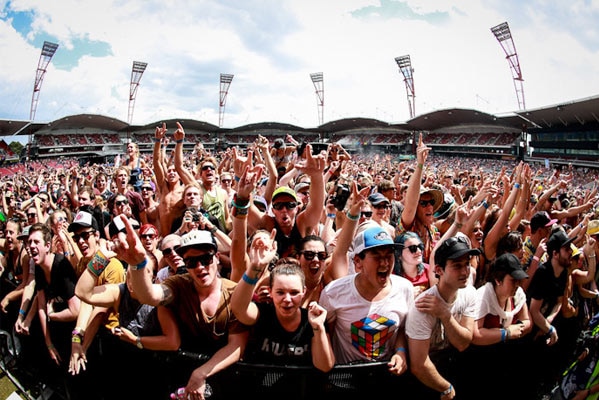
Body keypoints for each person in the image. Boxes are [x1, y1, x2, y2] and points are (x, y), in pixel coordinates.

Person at [111, 215, 249, 399]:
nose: (200, 267)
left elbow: (237, 345)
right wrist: (137, 265)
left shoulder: (233, 293)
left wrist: (201, 374)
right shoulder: (178, 285)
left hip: (225, 377)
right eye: (191, 262)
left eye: (206, 259)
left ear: (217, 258)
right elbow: (148, 296)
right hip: (182, 376)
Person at [319, 225, 414, 378]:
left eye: (389, 255)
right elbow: (326, 332)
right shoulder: (333, 293)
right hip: (344, 380)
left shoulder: (405, 289)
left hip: (386, 376)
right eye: (377, 256)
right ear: (358, 261)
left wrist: (401, 352)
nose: (384, 263)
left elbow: (402, 328)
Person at [405, 235, 481, 399]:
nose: (464, 271)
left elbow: (463, 342)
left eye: (467, 264)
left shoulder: (469, 293)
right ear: (439, 270)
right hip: (425, 378)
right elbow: (419, 365)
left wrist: (445, 314)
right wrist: (445, 388)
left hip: (452, 365)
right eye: (457, 266)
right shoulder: (422, 307)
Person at [466, 253, 532, 399]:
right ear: (498, 280)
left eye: (518, 281)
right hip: (483, 363)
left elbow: (527, 322)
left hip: (506, 358)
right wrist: (506, 333)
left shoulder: (518, 294)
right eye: (513, 280)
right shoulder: (483, 296)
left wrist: (516, 329)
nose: (517, 285)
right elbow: (475, 335)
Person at [394, 231, 431, 298]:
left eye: (420, 246)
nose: (419, 251)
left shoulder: (429, 270)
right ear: (399, 254)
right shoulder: (392, 277)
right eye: (413, 248)